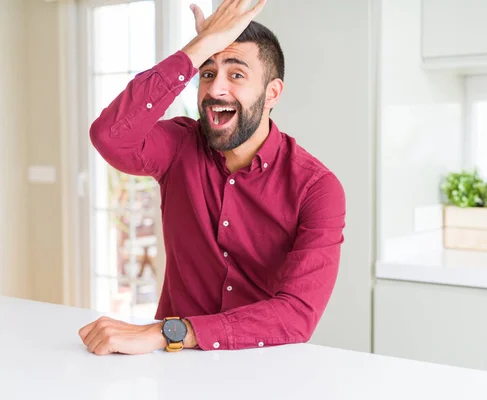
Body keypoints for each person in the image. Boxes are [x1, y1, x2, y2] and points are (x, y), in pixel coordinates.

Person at [79, 0, 346, 355]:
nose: (216, 90)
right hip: (174, 367)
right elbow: (110, 136)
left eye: (236, 74)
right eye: (207, 73)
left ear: (272, 93)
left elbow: (296, 314)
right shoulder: (179, 146)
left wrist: (172, 332)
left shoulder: (317, 189)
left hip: (264, 365)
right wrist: (199, 47)